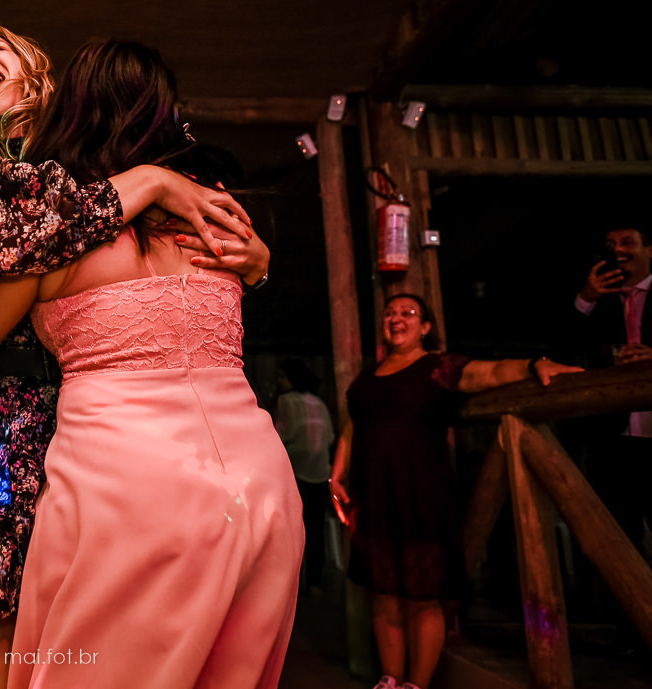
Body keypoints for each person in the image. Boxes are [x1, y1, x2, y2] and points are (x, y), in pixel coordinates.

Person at [0, 26, 266, 689]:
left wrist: (254, 265)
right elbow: (8, 254)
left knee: (89, 652)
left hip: (82, 440)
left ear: (40, 82)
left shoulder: (76, 175)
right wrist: (150, 182)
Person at [329, 293, 582, 689]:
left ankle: (416, 684)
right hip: (374, 497)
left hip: (421, 496)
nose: (397, 318)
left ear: (425, 327)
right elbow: (355, 422)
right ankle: (390, 680)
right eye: (390, 313)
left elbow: (492, 372)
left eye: (408, 313)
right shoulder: (369, 376)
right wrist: (337, 471)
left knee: (423, 596)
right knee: (383, 593)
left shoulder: (438, 368)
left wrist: (534, 365)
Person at [569, 223, 652, 566]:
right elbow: (563, 347)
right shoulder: (599, 303)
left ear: (650, 250)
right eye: (610, 244)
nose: (617, 250)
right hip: (613, 438)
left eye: (627, 242)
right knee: (620, 536)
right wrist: (587, 297)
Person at [274, 359, 336, 595]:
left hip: (295, 475)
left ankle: (291, 584)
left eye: (282, 376)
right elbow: (329, 438)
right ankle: (315, 582)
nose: (279, 382)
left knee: (291, 532)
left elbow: (282, 434)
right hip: (320, 475)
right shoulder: (319, 402)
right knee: (316, 529)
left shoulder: (286, 401)